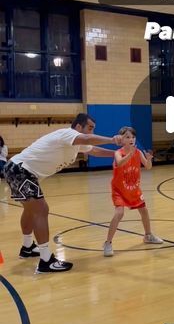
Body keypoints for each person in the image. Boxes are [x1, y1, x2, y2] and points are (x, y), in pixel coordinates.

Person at [3, 113, 122, 274]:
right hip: (21, 170)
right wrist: (112, 140)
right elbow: (88, 140)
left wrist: (116, 154)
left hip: (17, 169)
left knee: (31, 209)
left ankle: (28, 247)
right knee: (41, 210)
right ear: (78, 127)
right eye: (90, 128)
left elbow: (93, 149)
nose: (91, 131)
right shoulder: (68, 133)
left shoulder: (76, 142)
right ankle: (46, 261)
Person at [103, 126, 163, 256]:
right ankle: (108, 243)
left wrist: (148, 159)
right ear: (121, 140)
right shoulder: (118, 153)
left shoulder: (138, 152)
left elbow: (148, 167)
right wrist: (129, 154)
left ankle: (148, 235)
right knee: (119, 214)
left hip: (134, 189)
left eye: (133, 137)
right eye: (127, 137)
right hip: (119, 189)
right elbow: (119, 163)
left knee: (144, 211)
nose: (131, 139)